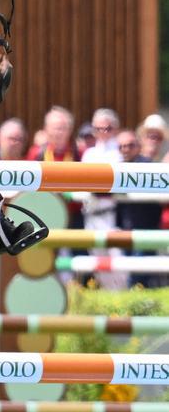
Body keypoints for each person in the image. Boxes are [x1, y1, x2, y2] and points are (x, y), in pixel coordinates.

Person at [115, 129, 166, 287]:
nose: (126, 149)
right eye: (121, 146)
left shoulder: (149, 166)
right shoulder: (117, 168)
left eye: (130, 145)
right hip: (125, 227)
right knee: (129, 271)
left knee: (140, 274)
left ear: (138, 146)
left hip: (146, 227)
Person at [79, 108, 124, 288]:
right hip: (90, 214)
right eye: (98, 128)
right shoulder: (88, 154)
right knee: (97, 262)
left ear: (115, 129)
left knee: (117, 262)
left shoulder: (119, 153)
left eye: (108, 128)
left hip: (111, 214)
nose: (103, 132)